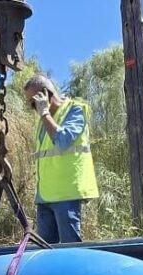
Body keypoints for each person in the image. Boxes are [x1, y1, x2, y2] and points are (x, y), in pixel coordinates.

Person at [23, 75, 98, 244]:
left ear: (46, 94)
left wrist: (44, 114)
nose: (32, 107)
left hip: (66, 194)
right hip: (45, 197)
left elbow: (63, 140)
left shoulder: (75, 109)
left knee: (69, 250)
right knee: (46, 251)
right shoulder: (44, 121)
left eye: (32, 102)